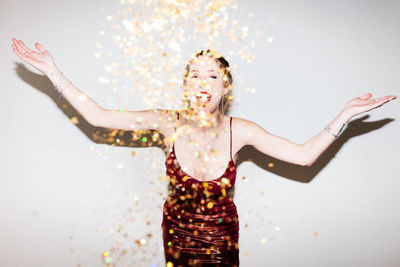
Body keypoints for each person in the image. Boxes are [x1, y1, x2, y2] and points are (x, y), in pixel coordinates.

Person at [11, 38, 396, 266]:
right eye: (194, 74)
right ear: (185, 86)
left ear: (224, 88)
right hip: (177, 236)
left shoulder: (239, 130)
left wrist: (345, 115)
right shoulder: (167, 122)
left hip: (221, 241)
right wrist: (51, 70)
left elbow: (304, 156)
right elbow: (96, 117)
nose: (202, 81)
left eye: (212, 75)